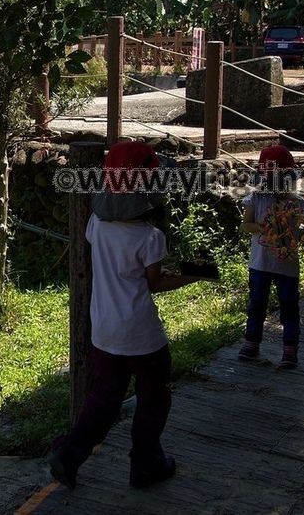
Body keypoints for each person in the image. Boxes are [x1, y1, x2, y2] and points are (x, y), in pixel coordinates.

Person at [49, 141, 199, 490]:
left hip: (104, 330)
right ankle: (146, 463)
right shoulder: (150, 237)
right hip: (141, 334)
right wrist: (194, 274)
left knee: (105, 398)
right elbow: (156, 283)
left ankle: (69, 453)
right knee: (154, 396)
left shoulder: (95, 226)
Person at [238, 145, 304, 369]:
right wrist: (265, 227)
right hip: (260, 263)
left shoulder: (298, 203)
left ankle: (290, 350)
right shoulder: (255, 199)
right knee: (256, 305)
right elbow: (246, 225)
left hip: (287, 265)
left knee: (289, 307)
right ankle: (252, 343)